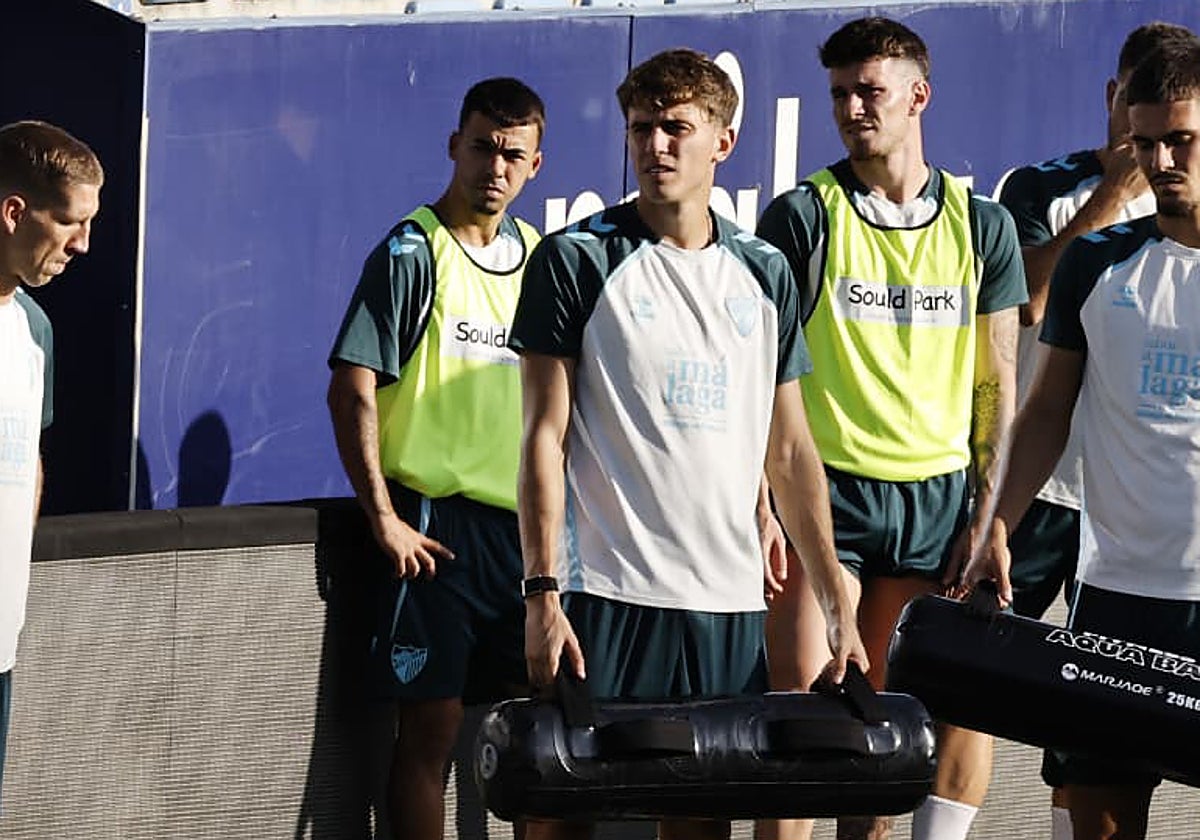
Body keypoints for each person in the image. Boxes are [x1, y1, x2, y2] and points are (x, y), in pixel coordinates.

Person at [509, 48, 867, 840]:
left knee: (699, 823)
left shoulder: (767, 271)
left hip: (724, 604)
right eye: (642, 129)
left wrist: (832, 587)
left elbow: (791, 450)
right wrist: (542, 592)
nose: (656, 146)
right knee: (560, 816)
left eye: (676, 128)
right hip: (604, 595)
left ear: (723, 142)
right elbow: (543, 439)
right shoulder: (575, 260)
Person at [756, 17, 1027, 840]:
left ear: (919, 95)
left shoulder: (982, 227)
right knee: (803, 739)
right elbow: (762, 380)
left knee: (890, 756)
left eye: (868, 90)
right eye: (839, 94)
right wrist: (762, 502)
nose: (851, 109)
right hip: (826, 497)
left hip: (936, 502)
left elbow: (997, 383)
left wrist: (992, 514)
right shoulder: (803, 216)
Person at [961, 39, 1200, 840]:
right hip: (1117, 596)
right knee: (1096, 819)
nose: (1161, 160)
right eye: (1144, 141)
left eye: (1182, 140)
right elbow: (1046, 411)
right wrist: (999, 522)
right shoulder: (1096, 262)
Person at [326, 77, 544, 840]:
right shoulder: (412, 252)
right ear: (455, 145)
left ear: (535, 166)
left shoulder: (542, 263)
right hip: (432, 533)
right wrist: (382, 517)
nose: (495, 166)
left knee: (530, 743)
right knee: (431, 738)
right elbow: (351, 390)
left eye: (513, 154)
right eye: (482, 146)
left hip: (521, 540)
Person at [0, 120, 102, 808]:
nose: (82, 244)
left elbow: (28, 465)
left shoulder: (35, 330)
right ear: (13, 211)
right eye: (69, 221)